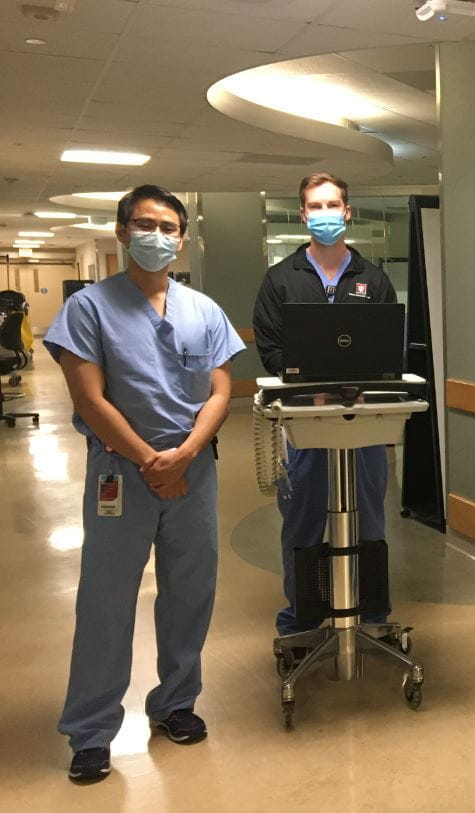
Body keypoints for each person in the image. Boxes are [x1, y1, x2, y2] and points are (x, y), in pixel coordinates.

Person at [45, 185, 244, 783]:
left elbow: (222, 390)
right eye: (144, 224)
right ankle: (91, 729)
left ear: (182, 239)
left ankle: (176, 702)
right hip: (121, 473)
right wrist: (152, 462)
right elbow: (90, 398)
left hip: (194, 469)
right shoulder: (88, 308)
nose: (156, 235)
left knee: (190, 593)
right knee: (106, 600)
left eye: (167, 227)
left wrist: (185, 455)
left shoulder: (203, 310)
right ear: (122, 232)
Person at [252, 172, 399, 637]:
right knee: (303, 520)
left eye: (333, 205)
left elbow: (387, 349)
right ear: (303, 215)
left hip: (364, 420)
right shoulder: (281, 280)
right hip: (305, 422)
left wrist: (363, 386)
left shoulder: (372, 279)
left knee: (370, 519)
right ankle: (303, 617)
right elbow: (271, 349)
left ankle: (370, 615)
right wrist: (307, 389)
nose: (325, 214)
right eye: (316, 206)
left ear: (347, 212)